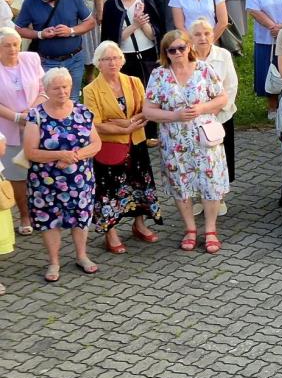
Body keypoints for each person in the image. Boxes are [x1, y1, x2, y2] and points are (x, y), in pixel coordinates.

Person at [144, 30, 230, 253]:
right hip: (174, 141)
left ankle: (210, 230)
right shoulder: (159, 75)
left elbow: (222, 98)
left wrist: (202, 108)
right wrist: (174, 115)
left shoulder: (204, 69)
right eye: (172, 50)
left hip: (204, 137)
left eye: (181, 48)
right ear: (166, 53)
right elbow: (148, 110)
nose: (177, 53)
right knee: (180, 184)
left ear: (189, 47)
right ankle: (190, 229)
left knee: (210, 182)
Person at [23, 67, 102, 282]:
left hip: (80, 179)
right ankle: (54, 262)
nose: (62, 91)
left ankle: (82, 256)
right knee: (49, 219)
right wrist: (60, 155)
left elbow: (96, 144)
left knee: (80, 216)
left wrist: (72, 157)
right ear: (46, 89)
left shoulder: (82, 111)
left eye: (65, 87)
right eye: (56, 88)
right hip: (45, 181)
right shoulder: (36, 115)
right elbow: (31, 152)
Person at [83, 40, 160, 253]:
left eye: (116, 58)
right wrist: (124, 128)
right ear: (98, 63)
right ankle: (111, 233)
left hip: (136, 142)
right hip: (110, 147)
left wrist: (125, 123)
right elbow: (95, 124)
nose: (112, 62)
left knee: (139, 185)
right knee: (109, 191)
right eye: (107, 59)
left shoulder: (134, 81)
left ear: (122, 60)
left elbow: (146, 110)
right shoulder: (91, 90)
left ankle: (139, 224)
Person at [15, 0, 94, 97]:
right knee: (49, 98)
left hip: (74, 59)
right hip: (47, 61)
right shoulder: (30, 2)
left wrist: (71, 31)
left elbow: (90, 22)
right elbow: (18, 29)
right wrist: (40, 34)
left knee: (72, 97)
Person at [0, 28, 44, 235]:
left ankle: (43, 211)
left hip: (36, 125)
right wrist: (17, 117)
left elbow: (44, 89)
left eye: (15, 44)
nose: (13, 49)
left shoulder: (31, 59)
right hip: (7, 129)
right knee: (17, 175)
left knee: (41, 171)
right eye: (7, 45)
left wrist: (31, 112)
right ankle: (24, 215)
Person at [189, 19, 237, 198]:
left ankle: (220, 196)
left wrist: (216, 109)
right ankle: (199, 197)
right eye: (197, 34)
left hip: (221, 115)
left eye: (207, 33)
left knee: (221, 157)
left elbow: (231, 85)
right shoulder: (186, 56)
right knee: (197, 158)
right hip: (194, 117)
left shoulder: (223, 55)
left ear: (213, 35)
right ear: (190, 37)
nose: (203, 38)